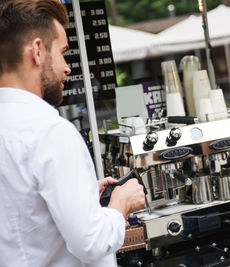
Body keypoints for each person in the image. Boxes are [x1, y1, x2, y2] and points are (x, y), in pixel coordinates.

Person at [0, 1, 145, 267]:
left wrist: (83, 195)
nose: (67, 67)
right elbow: (92, 243)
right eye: (63, 52)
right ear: (37, 51)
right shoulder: (50, 131)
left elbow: (23, 215)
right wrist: (121, 203)